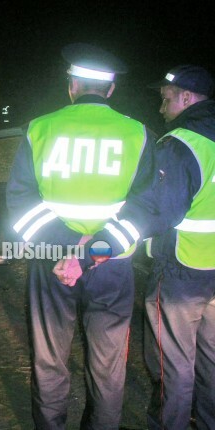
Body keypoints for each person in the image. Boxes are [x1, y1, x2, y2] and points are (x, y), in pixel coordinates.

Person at [6, 43, 157, 428]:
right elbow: (143, 210)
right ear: (109, 90)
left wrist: (65, 251)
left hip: (52, 265)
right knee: (108, 367)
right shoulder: (138, 134)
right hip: (112, 265)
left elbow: (21, 201)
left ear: (71, 84)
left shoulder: (39, 128)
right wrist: (90, 253)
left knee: (49, 359)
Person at [68, 65, 215, 429]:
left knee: (174, 366)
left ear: (187, 98)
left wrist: (90, 254)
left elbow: (148, 215)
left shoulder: (181, 146)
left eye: (166, 100)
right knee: (212, 361)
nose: (162, 108)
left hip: (184, 272)